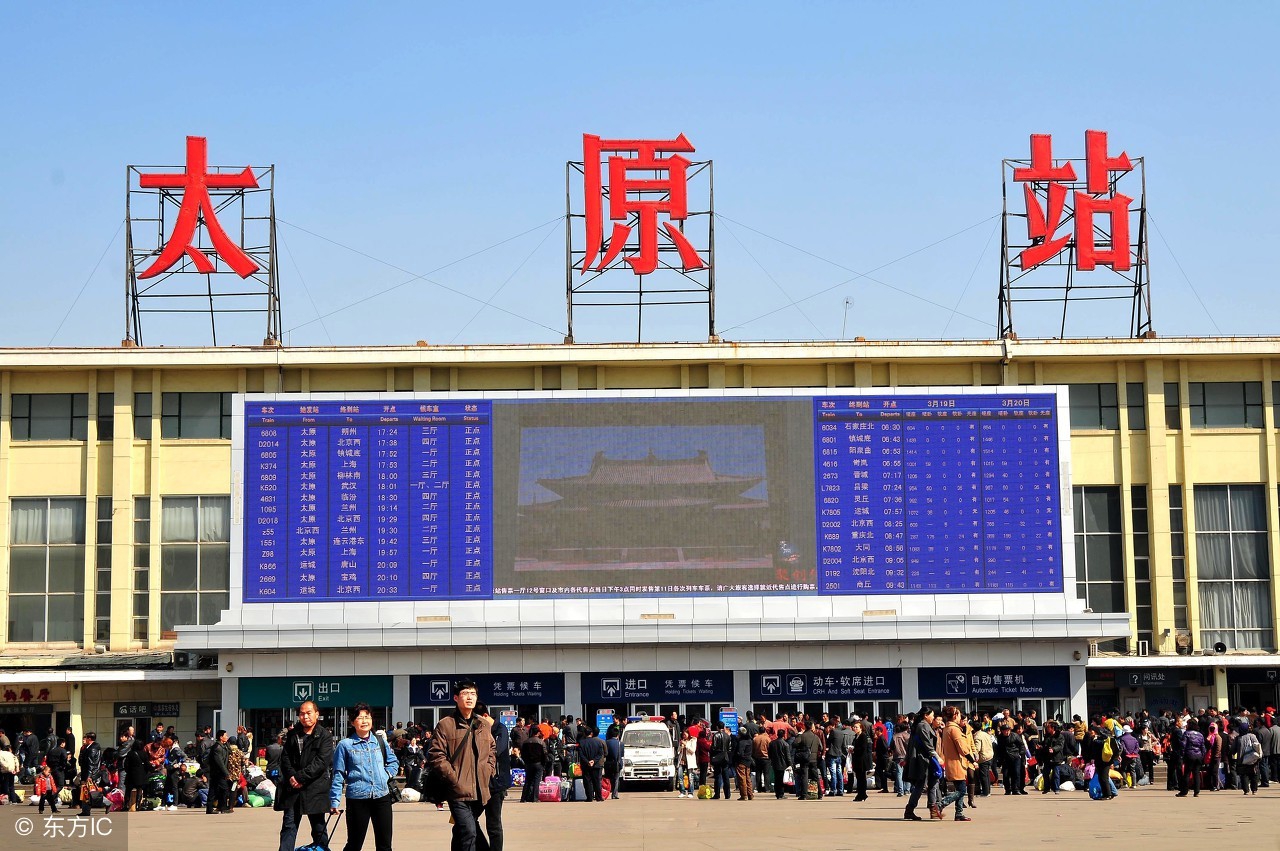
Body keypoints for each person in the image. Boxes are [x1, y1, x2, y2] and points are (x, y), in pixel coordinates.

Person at [429, 679, 496, 851]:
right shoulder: (446, 724)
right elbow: (436, 755)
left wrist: (488, 770)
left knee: (462, 831)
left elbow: (492, 749)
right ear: (456, 698)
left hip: (480, 790)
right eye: (465, 694)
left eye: (473, 694)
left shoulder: (483, 724)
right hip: (457, 791)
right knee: (469, 832)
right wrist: (454, 778)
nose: (469, 697)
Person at [331, 703, 397, 851]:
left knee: (385, 845)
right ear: (352, 722)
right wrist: (335, 800)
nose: (364, 721)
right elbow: (338, 774)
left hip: (382, 797)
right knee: (354, 844)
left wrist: (386, 775)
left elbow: (393, 762)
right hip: (357, 799)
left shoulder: (379, 741)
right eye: (360, 718)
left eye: (367, 717)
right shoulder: (345, 745)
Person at [276, 701, 334, 851]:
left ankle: (322, 848)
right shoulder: (293, 734)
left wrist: (300, 778)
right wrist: (292, 776)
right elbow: (285, 758)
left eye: (309, 713)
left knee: (318, 827)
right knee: (289, 826)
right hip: (293, 790)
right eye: (302, 714)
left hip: (315, 789)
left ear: (317, 714)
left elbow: (321, 762)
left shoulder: (324, 736)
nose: (305, 716)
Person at [475, 703, 509, 851]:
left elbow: (497, 750)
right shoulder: (476, 729)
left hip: (496, 783)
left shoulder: (500, 729)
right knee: (467, 820)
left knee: (493, 825)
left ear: (485, 716)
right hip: (478, 782)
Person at [937, 706, 974, 821]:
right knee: (961, 790)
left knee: (960, 788)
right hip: (957, 763)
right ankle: (940, 804)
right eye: (958, 715)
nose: (960, 717)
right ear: (955, 716)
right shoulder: (954, 729)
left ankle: (959, 813)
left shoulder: (947, 728)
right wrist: (972, 760)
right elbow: (962, 748)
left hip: (952, 763)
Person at [903, 707, 939, 821]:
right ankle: (910, 810)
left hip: (926, 759)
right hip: (923, 760)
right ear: (926, 715)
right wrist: (937, 757)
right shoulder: (922, 726)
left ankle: (932, 809)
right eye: (932, 715)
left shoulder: (922, 725)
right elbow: (927, 744)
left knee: (932, 783)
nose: (933, 717)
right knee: (921, 785)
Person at [792, 719, 822, 801]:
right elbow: (821, 747)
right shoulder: (816, 737)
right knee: (816, 777)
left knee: (804, 776)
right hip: (814, 759)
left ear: (805, 727)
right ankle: (820, 794)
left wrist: (801, 747)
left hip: (805, 758)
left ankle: (804, 795)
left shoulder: (802, 736)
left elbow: (794, 744)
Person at [205, 730, 232, 814]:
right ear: (221, 737)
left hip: (219, 772)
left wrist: (227, 744)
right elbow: (219, 762)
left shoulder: (223, 746)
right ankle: (222, 807)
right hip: (217, 773)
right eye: (225, 736)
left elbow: (230, 752)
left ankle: (214, 808)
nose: (227, 737)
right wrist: (226, 773)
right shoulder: (217, 747)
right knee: (224, 789)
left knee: (215, 790)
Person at [76, 733, 102, 817]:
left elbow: (91, 763)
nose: (85, 740)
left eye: (86, 738)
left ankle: (106, 802)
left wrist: (89, 776)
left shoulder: (92, 749)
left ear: (89, 739)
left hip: (90, 773)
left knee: (89, 792)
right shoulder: (90, 747)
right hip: (89, 772)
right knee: (87, 791)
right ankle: (85, 810)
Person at [577, 728, 606, 802]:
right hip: (596, 765)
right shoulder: (598, 742)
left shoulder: (581, 742)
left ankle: (589, 797)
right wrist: (594, 761)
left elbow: (581, 755)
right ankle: (599, 797)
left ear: (584, 734)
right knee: (597, 781)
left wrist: (587, 762)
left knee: (587, 782)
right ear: (591, 733)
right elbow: (600, 753)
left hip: (586, 765)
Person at [518, 730, 546, 803]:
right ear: (538, 733)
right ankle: (535, 798)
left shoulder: (525, 742)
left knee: (527, 781)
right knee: (536, 781)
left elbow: (522, 754)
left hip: (528, 764)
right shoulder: (541, 742)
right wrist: (543, 764)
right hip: (538, 763)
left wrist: (526, 762)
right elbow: (544, 754)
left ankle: (524, 798)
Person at [1235, 721, 1263, 795]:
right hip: (1252, 759)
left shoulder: (1238, 738)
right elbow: (1257, 746)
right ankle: (1254, 790)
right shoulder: (1252, 736)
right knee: (1254, 774)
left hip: (1242, 759)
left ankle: (1246, 790)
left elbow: (1233, 749)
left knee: (1244, 775)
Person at [767, 727, 792, 800]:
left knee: (776, 779)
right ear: (784, 735)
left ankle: (777, 793)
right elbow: (788, 756)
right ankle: (781, 794)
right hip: (783, 764)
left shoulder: (772, 743)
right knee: (781, 779)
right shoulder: (785, 744)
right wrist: (790, 764)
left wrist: (772, 760)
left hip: (775, 763)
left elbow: (769, 754)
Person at [732, 727, 755, 800]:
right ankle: (750, 794)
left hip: (741, 761)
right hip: (748, 761)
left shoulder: (741, 742)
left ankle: (744, 795)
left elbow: (740, 753)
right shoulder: (750, 741)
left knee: (742, 779)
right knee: (748, 778)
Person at [603, 726, 623, 800]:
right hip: (617, 763)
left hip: (608, 763)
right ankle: (614, 794)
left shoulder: (606, 742)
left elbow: (605, 753)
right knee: (616, 779)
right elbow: (621, 755)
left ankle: (606, 792)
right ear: (618, 735)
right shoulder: (620, 743)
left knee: (607, 779)